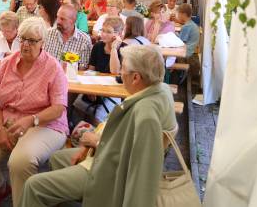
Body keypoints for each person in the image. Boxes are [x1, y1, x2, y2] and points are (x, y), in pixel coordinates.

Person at [19, 45, 177, 207]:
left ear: (136, 78)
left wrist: (95, 142)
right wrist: (91, 145)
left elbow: (136, 164)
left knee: (33, 186)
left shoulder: (145, 115)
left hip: (107, 173)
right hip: (104, 157)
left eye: (122, 69)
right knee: (56, 158)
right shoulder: (161, 90)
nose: (120, 73)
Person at [0, 17, 68, 207]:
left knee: (20, 162)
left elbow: (59, 108)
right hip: (8, 118)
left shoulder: (53, 68)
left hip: (46, 124)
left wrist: (32, 119)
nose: (25, 45)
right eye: (22, 39)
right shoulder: (6, 64)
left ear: (43, 43)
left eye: (32, 40)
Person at [43, 4, 92, 69]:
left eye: (62, 19)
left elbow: (83, 67)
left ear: (73, 21)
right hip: (49, 75)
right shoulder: (47, 34)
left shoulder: (84, 40)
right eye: (57, 17)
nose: (58, 21)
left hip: (71, 77)